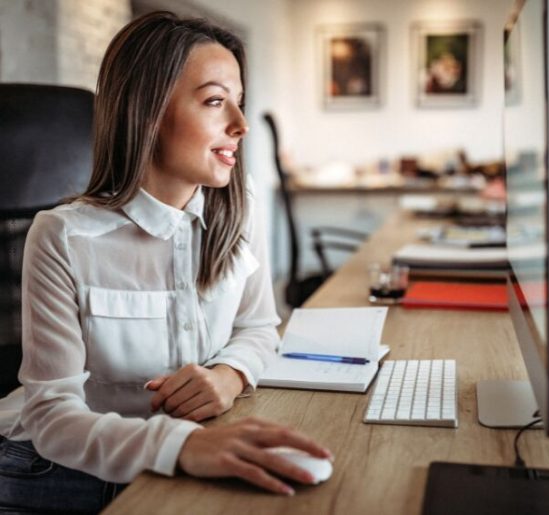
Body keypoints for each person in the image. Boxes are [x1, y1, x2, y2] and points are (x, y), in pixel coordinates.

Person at [0, 11, 331, 513]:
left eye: (239, 104)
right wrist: (183, 447)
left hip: (190, 454)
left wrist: (229, 376)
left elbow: (261, 327)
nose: (240, 126)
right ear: (147, 110)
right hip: (56, 473)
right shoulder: (63, 236)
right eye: (217, 102)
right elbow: (51, 418)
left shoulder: (243, 210)